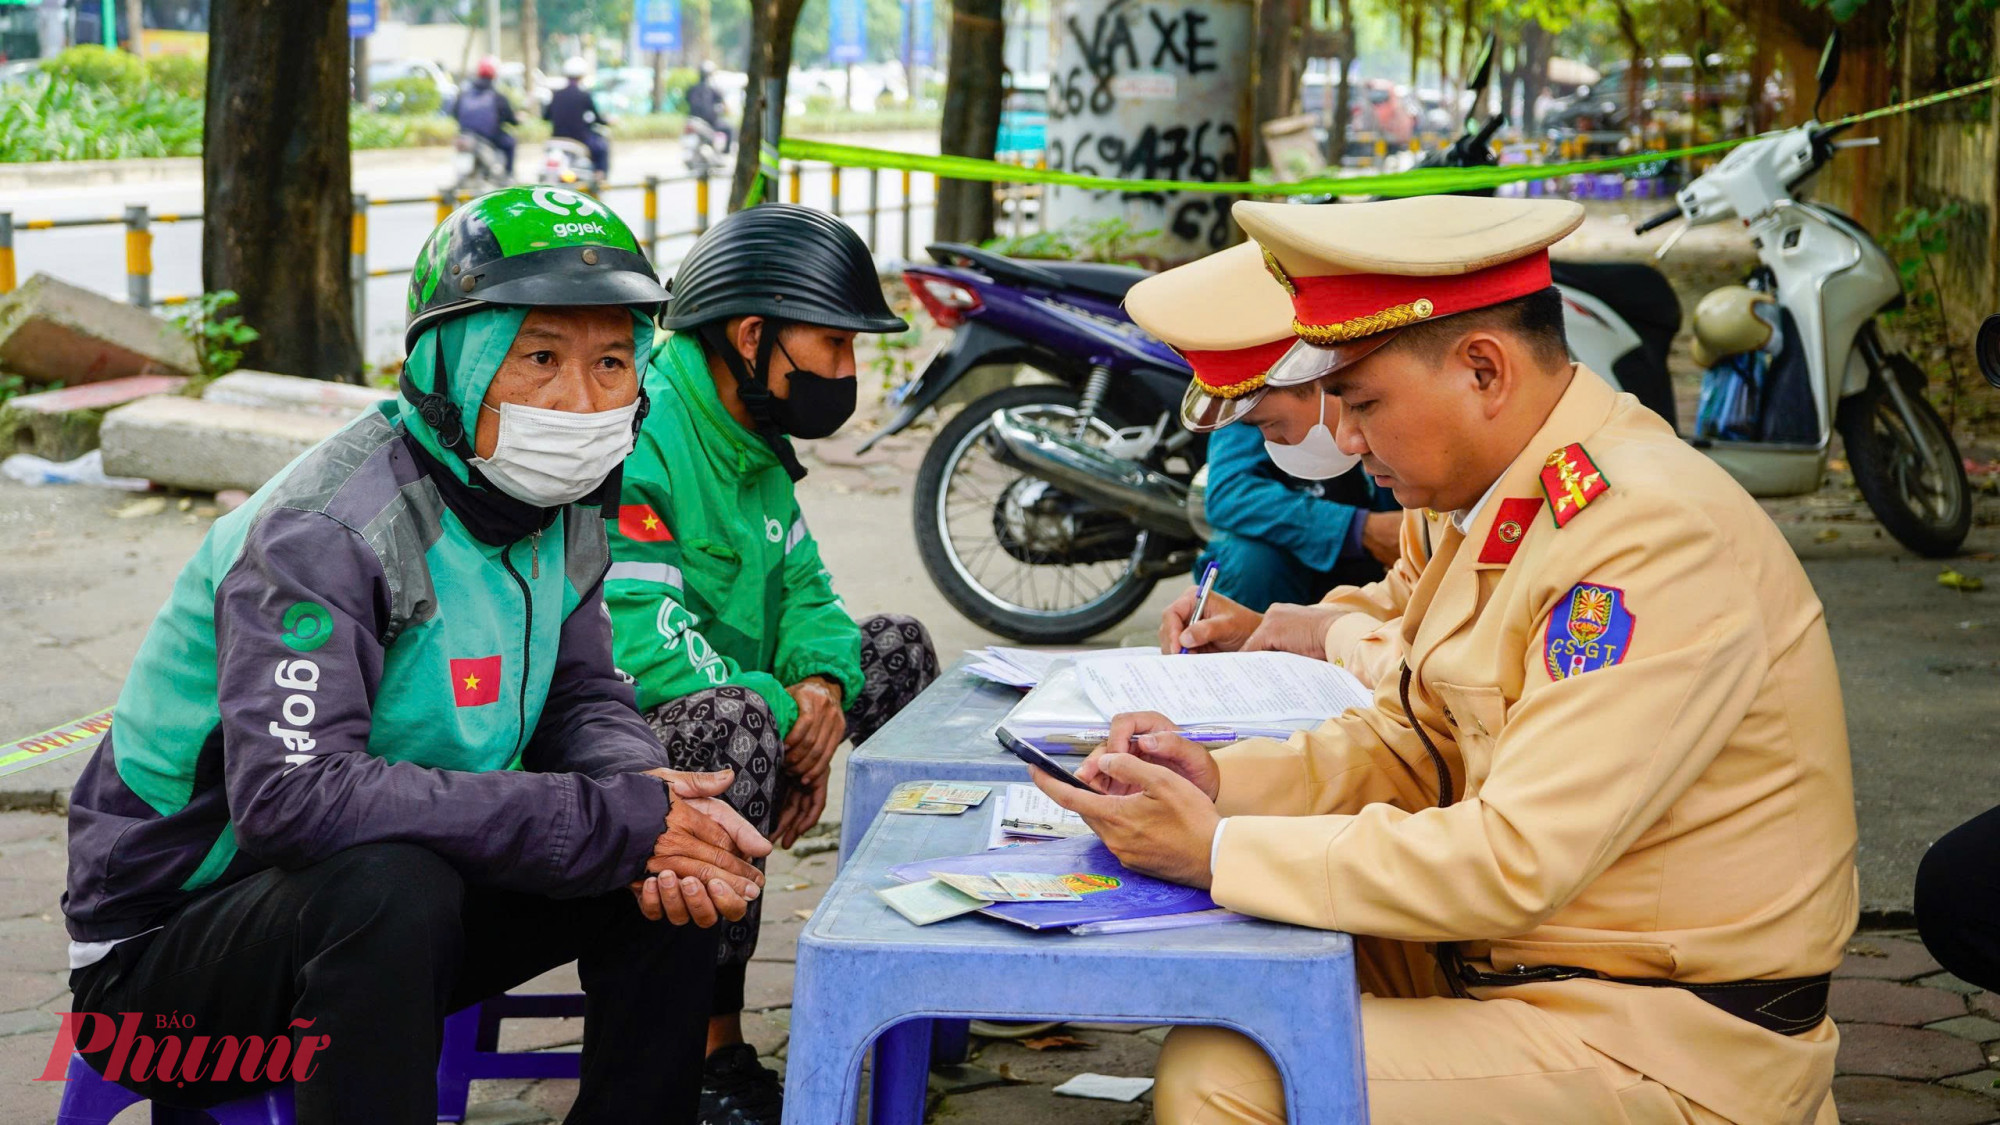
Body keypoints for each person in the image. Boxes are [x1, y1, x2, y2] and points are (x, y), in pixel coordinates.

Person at [1037, 195, 1859, 1125]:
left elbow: (1515, 855)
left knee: (1231, 1067)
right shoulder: (1507, 498)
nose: (1344, 439)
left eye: (1362, 401)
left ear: (1483, 369)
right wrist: (1217, 779)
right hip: (1531, 963)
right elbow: (1408, 745)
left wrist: (1219, 848)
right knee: (1233, 956)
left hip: (1662, 1037)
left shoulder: (1648, 535)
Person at [60, 188, 771, 1125]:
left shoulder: (562, 505)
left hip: (375, 926)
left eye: (612, 362)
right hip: (165, 971)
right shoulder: (326, 532)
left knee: (675, 874)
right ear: (449, 365)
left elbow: (584, 693)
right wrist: (596, 814)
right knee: (394, 882)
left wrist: (645, 799)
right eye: (541, 358)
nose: (583, 401)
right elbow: (292, 800)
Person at [605, 202, 940, 1125]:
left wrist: (824, 688)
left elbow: (809, 592)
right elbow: (637, 633)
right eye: (833, 346)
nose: (847, 372)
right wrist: (785, 718)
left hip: (756, 704)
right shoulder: (646, 428)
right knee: (734, 727)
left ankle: (899, 971)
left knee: (897, 649)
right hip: (623, 731)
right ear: (754, 337)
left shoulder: (753, 439)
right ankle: (710, 1053)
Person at [1124, 242, 1409, 682]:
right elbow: (1229, 495)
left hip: (1382, 620)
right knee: (1250, 558)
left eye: (1362, 403)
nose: (1354, 441)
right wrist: (1358, 530)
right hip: (1297, 578)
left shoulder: (1412, 427)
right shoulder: (1249, 388)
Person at [546, 56, 612, 180]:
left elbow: (545, 116)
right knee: (602, 147)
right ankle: (600, 176)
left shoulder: (556, 95)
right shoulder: (584, 95)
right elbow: (597, 118)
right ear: (582, 76)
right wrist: (608, 121)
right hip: (579, 139)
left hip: (556, 138)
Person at [452, 55, 518, 175]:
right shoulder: (497, 97)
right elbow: (509, 118)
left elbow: (454, 114)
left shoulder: (463, 95)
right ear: (494, 75)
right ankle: (508, 175)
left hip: (464, 137)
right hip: (487, 138)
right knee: (510, 143)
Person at [686, 61, 734, 153]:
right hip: (708, 122)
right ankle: (725, 153)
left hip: (694, 120)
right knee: (729, 129)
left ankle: (717, 152)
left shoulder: (692, 88)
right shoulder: (712, 89)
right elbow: (722, 103)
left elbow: (687, 100)